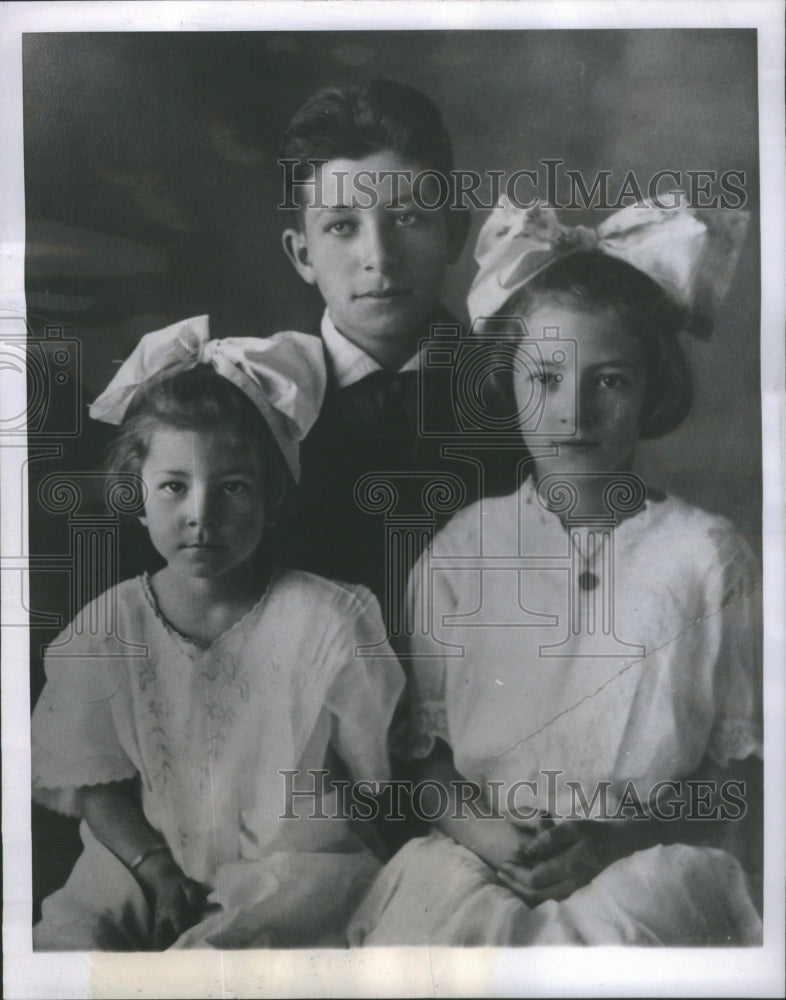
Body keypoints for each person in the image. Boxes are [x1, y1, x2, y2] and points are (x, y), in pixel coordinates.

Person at [348, 198, 763, 946]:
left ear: (654, 388)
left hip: (641, 858)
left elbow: (734, 774)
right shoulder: (462, 550)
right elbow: (424, 762)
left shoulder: (709, 556)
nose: (572, 414)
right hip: (483, 853)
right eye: (544, 379)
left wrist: (610, 844)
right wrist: (494, 840)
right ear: (508, 382)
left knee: (626, 927)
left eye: (609, 382)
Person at [31, 316, 405, 950]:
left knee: (229, 949)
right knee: (71, 944)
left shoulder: (330, 620)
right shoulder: (107, 630)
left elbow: (376, 781)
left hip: (289, 873)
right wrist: (154, 870)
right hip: (139, 863)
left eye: (233, 488)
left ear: (273, 497)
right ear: (137, 493)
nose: (202, 514)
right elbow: (98, 784)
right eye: (174, 487)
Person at [275, 78, 512, 610]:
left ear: (453, 232)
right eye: (341, 226)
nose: (379, 256)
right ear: (302, 255)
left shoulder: (517, 392)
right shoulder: (256, 397)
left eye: (407, 218)